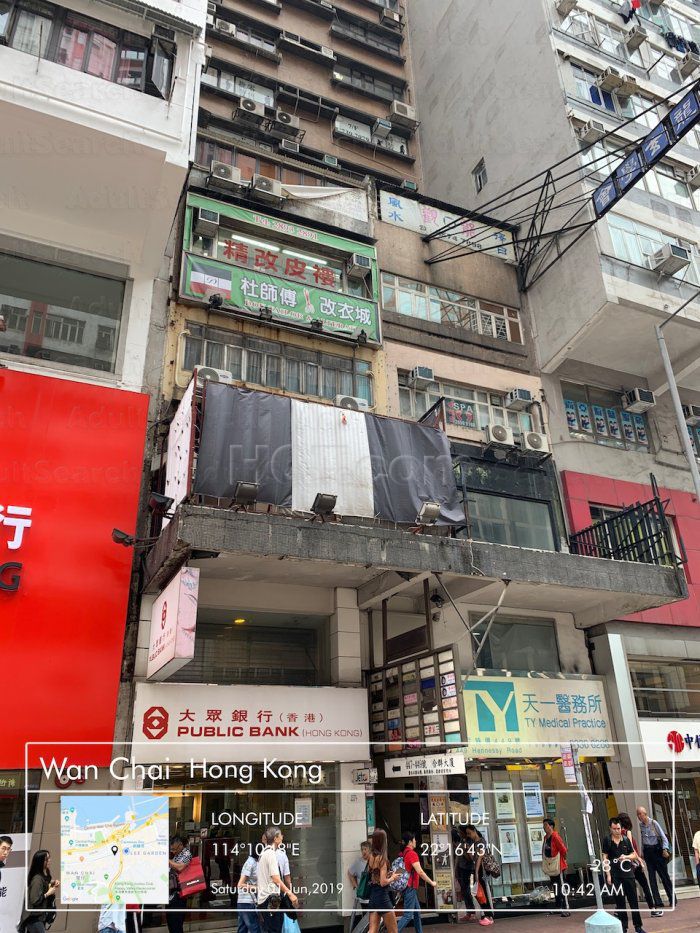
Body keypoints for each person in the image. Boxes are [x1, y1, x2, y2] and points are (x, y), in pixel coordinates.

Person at [602, 817, 646, 933]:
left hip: (628, 874)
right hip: (615, 875)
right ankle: (623, 927)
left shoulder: (626, 840)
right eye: (614, 829)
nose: (617, 831)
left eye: (618, 828)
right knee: (620, 902)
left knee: (633, 902)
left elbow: (634, 855)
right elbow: (605, 857)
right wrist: (608, 874)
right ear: (610, 828)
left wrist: (625, 857)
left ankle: (638, 926)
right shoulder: (607, 840)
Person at [618, 813, 661, 917]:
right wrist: (640, 861)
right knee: (644, 885)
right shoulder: (627, 832)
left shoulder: (618, 835)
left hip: (625, 864)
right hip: (633, 863)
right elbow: (631, 848)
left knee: (625, 887)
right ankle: (653, 908)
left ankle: (619, 910)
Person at [256, 826, 298, 933]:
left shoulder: (263, 853)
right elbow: (275, 878)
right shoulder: (271, 854)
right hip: (270, 900)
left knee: (269, 929)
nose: (282, 837)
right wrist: (290, 893)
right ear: (275, 838)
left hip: (263, 900)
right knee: (274, 929)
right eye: (280, 835)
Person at [396, 831, 437, 933]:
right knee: (408, 915)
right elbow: (420, 872)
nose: (416, 841)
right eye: (414, 839)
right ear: (410, 842)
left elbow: (402, 869)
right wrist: (431, 882)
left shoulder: (403, 853)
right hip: (410, 887)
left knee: (417, 912)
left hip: (407, 887)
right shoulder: (412, 854)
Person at [636, 806, 675, 909]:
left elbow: (663, 837)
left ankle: (672, 899)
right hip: (648, 853)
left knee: (664, 877)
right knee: (652, 879)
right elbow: (643, 838)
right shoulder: (641, 826)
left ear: (645, 813)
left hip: (657, 851)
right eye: (638, 814)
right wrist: (642, 851)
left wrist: (665, 849)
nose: (640, 816)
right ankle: (658, 902)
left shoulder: (654, 823)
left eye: (641, 814)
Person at [366, 829, 400, 933]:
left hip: (373, 896)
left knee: (372, 930)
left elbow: (374, 876)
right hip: (383, 897)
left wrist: (387, 874)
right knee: (393, 930)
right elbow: (383, 882)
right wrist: (393, 877)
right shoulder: (382, 859)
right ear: (383, 842)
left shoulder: (371, 857)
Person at [18, 849, 59, 933]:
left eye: (49, 858)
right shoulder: (37, 879)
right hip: (33, 918)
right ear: (40, 862)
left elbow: (45, 882)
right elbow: (34, 900)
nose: (49, 861)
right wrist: (48, 893)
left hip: (38, 917)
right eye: (46, 859)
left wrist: (53, 882)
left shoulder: (43, 875)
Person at [464, 825, 493, 926]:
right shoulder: (476, 843)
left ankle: (489, 916)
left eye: (469, 833)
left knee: (483, 893)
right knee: (479, 894)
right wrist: (468, 850)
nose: (469, 835)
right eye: (467, 834)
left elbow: (480, 858)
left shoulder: (481, 842)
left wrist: (476, 872)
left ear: (474, 831)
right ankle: (485, 915)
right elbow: (474, 858)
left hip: (481, 870)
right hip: (477, 870)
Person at [542, 818, 570, 918]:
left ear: (551, 826)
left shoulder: (555, 836)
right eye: (544, 825)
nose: (544, 827)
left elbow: (563, 850)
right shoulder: (546, 837)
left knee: (561, 886)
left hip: (558, 865)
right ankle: (558, 907)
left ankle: (565, 908)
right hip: (551, 865)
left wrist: (564, 860)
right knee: (555, 886)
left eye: (546, 825)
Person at [166, 835, 192, 933]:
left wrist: (167, 860)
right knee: (171, 923)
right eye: (171, 849)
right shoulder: (177, 854)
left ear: (180, 845)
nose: (172, 851)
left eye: (174, 849)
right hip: (171, 895)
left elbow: (180, 867)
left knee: (176, 924)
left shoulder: (186, 854)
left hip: (179, 895)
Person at [237, 848, 260, 933]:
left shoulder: (254, 861)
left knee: (242, 928)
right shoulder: (250, 863)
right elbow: (240, 884)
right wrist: (257, 888)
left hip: (244, 901)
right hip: (247, 901)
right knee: (255, 928)